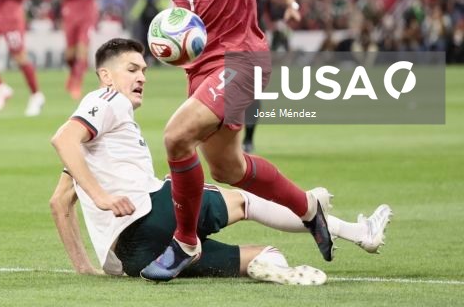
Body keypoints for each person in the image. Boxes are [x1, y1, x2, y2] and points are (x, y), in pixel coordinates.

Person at [138, 0, 333, 280]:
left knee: (175, 137)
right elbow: (187, 0)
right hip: (202, 67)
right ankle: (308, 206)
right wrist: (174, 39)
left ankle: (185, 242)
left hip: (242, 58)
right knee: (228, 167)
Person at [49, 38, 392, 281]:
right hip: (153, 214)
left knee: (256, 255)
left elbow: (60, 202)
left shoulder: (96, 144)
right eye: (132, 69)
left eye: (144, 70)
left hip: (136, 258)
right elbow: (63, 138)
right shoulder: (108, 98)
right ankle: (359, 232)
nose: (141, 77)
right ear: (106, 76)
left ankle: (273, 266)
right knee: (246, 201)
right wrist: (101, 197)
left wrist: (84, 267)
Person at [244, 0, 301, 153]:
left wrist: (291, 4)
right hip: (219, 34)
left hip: (251, 35)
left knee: (252, 93)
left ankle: (247, 138)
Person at [53, 0, 105, 100]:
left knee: (83, 49)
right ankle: (72, 74)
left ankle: (77, 84)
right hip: (71, 13)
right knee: (70, 53)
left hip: (88, 14)